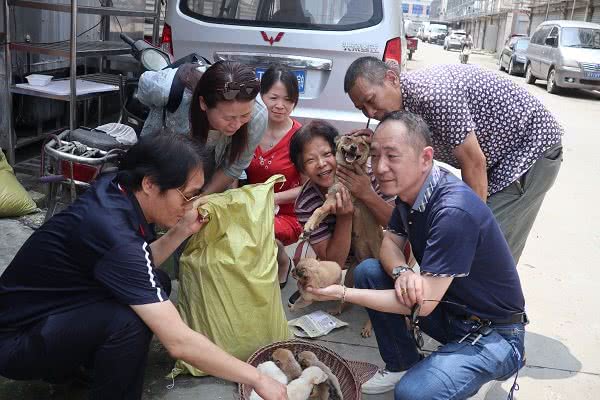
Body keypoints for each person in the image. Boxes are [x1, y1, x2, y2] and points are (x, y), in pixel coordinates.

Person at [0, 134, 287, 400]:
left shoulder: (117, 189)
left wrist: (180, 231)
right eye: (188, 195)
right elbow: (177, 342)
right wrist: (257, 378)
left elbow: (137, 264)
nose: (190, 206)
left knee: (157, 283)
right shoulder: (112, 232)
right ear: (150, 184)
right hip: (14, 341)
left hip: (47, 315)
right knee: (128, 322)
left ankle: (86, 367)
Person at [307, 111, 527, 399]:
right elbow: (389, 243)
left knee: (413, 393)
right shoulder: (412, 191)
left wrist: (342, 293)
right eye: (375, 155)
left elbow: (422, 305)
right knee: (369, 273)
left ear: (425, 157)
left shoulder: (452, 212)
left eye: (393, 156)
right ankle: (403, 362)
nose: (381, 167)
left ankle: (469, 368)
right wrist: (402, 271)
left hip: (495, 333)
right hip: (452, 311)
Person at [343, 56, 563, 263]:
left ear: (391, 79)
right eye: (362, 108)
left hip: (528, 150)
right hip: (498, 158)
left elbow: (474, 163)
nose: (370, 112)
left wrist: (469, 228)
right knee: (470, 247)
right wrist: (379, 144)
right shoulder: (404, 104)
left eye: (371, 100)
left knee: (486, 249)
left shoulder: (433, 95)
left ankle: (494, 302)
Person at [289, 120, 394, 303]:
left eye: (327, 154)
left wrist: (366, 193)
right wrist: (345, 217)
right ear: (301, 168)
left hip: (374, 243)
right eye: (310, 160)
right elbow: (334, 263)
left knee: (403, 245)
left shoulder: (369, 174)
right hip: (344, 255)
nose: (321, 164)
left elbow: (398, 225)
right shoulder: (306, 203)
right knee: (310, 265)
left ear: (339, 150)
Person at [245, 65, 304, 288]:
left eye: (288, 100)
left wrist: (271, 199)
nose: (280, 106)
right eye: (273, 97)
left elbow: (308, 188)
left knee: (263, 229)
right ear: (261, 96)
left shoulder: (300, 137)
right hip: (248, 205)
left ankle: (281, 259)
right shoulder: (247, 128)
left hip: (286, 213)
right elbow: (233, 171)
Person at [189, 60, 268, 195]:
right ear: (203, 103)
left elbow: (233, 167)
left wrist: (200, 199)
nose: (237, 125)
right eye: (228, 118)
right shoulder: (180, 103)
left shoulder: (258, 115)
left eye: (244, 116)